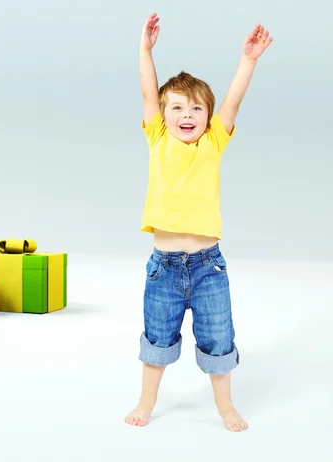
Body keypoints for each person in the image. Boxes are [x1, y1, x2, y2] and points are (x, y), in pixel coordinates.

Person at [124, 13, 273, 432]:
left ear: (208, 117)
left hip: (209, 267)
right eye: (176, 107)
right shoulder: (157, 137)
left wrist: (248, 60)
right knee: (157, 340)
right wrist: (145, 49)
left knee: (218, 340)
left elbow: (233, 101)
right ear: (164, 114)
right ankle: (146, 401)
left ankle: (226, 406)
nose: (186, 115)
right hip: (163, 268)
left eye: (196, 108)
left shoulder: (213, 143)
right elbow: (146, 92)